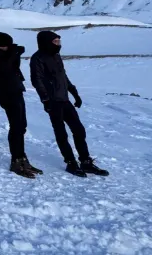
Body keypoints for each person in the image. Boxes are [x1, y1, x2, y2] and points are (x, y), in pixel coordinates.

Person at [30, 30, 109, 177]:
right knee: (61, 133)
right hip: (53, 102)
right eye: (55, 41)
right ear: (46, 42)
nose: (59, 44)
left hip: (64, 99)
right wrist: (45, 100)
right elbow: (37, 81)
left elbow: (63, 77)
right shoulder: (37, 59)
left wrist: (74, 93)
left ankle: (85, 162)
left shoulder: (56, 56)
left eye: (59, 41)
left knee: (79, 130)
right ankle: (71, 163)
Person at [0, 32, 42, 178]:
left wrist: (15, 54)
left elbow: (13, 66)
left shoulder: (0, 53)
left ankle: (22, 158)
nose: (7, 48)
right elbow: (4, 68)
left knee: (22, 125)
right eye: (4, 46)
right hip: (6, 93)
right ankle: (16, 161)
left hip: (15, 89)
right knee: (16, 126)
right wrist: (14, 52)